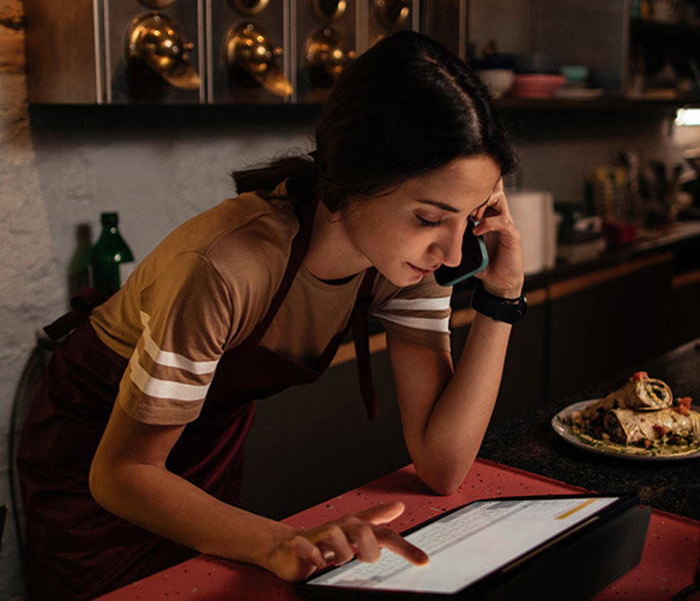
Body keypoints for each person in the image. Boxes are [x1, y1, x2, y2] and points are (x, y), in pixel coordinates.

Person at [17, 30, 524, 601]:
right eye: (431, 218)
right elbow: (121, 473)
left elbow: (443, 465)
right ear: (354, 179)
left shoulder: (405, 264)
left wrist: (500, 299)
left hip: (199, 458)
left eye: (471, 217)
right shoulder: (225, 267)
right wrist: (275, 541)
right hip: (96, 466)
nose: (454, 254)